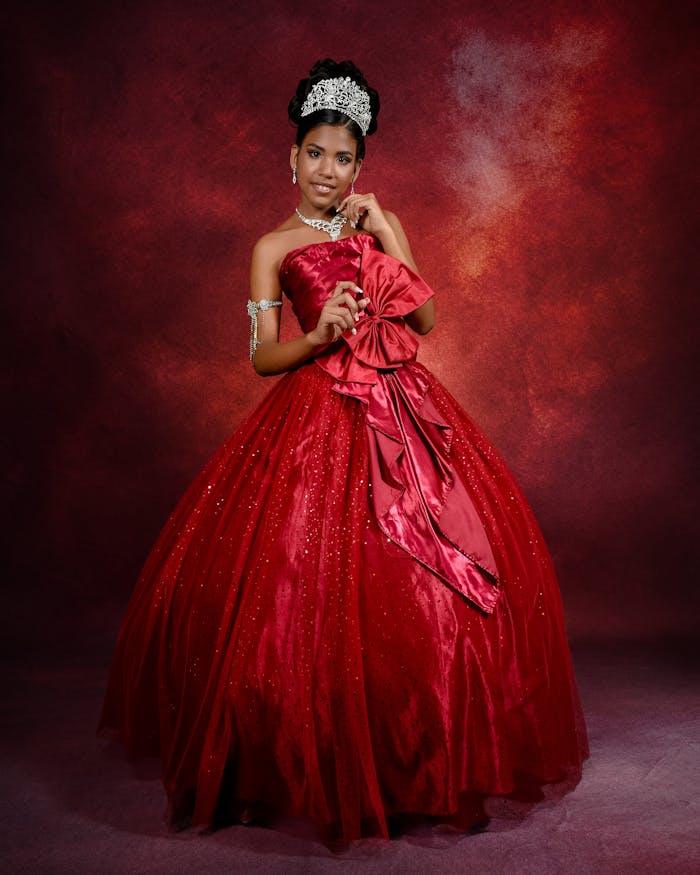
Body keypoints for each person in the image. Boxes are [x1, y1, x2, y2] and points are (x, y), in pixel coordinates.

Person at [97, 58, 588, 846]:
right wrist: (320, 334)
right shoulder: (271, 246)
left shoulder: (368, 232)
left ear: (361, 167)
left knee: (425, 581)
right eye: (317, 152)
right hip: (316, 413)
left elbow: (423, 326)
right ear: (291, 157)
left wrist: (391, 234)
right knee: (305, 594)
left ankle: (412, 759)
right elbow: (262, 356)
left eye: (345, 158)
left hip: (402, 408)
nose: (329, 170)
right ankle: (311, 756)